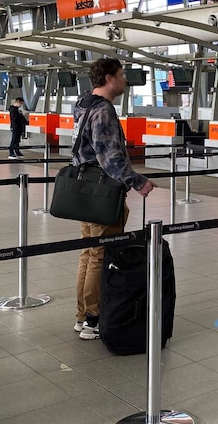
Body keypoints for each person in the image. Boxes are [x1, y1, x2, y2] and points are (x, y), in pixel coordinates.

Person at [72, 58, 155, 339]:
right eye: (121, 75)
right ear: (109, 78)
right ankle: (93, 319)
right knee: (101, 255)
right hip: (103, 192)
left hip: (85, 190)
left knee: (89, 253)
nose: (124, 80)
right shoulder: (104, 111)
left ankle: (82, 315)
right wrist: (138, 182)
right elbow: (110, 158)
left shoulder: (83, 104)